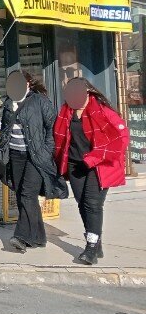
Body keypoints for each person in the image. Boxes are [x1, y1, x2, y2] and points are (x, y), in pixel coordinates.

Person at [53, 78, 128, 265]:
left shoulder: (103, 112)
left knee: (92, 205)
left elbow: (121, 138)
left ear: (87, 92)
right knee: (82, 203)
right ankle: (96, 241)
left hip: (99, 165)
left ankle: (91, 247)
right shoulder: (66, 112)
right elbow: (60, 139)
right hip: (76, 165)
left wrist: (94, 158)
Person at [0, 70, 68, 252]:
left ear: (28, 83)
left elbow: (53, 127)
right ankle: (38, 237)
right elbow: (6, 129)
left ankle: (21, 236)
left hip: (36, 156)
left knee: (28, 194)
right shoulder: (8, 104)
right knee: (22, 195)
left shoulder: (40, 101)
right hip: (15, 155)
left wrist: (46, 151)